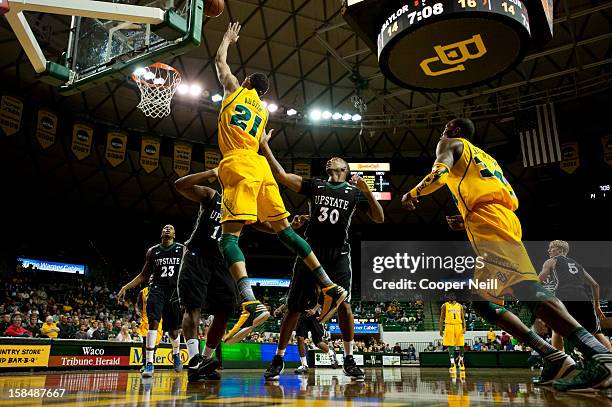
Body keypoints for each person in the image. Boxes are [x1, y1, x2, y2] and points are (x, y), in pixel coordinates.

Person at [402, 117, 612, 391]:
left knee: (526, 287)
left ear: (453, 130)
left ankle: (600, 356)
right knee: (481, 300)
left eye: (444, 129)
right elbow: (488, 191)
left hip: (490, 222)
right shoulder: (485, 157)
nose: (441, 134)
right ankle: (553, 356)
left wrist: (413, 192)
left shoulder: (450, 142)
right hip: (495, 217)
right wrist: (466, 219)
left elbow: (440, 173)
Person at [214, 21, 347, 344]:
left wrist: (228, 39)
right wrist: (266, 141)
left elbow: (219, 62)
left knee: (228, 239)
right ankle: (330, 284)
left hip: (238, 164)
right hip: (261, 167)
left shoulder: (234, 89)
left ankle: (249, 302)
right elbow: (259, 140)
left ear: (246, 82)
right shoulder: (262, 110)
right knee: (285, 232)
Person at [259, 136, 384, 381]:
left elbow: (379, 218)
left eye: (336, 159)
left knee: (344, 305)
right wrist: (264, 146)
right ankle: (279, 358)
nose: (330, 159)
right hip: (310, 252)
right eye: (329, 159)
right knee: (294, 308)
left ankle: (349, 359)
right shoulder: (315, 185)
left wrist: (368, 191)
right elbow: (282, 176)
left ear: (345, 170)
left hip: (338, 254)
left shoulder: (354, 192)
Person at [174, 168, 239, 382]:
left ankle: (205, 360)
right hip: (197, 255)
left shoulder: (243, 208)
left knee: (226, 308)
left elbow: (264, 224)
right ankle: (194, 360)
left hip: (220, 262)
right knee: (192, 306)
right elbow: (180, 185)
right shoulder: (212, 195)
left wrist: (286, 226)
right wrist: (210, 172)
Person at [117, 225, 184, 377]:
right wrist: (126, 287)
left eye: (171, 228)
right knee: (153, 322)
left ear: (174, 233)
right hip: (156, 290)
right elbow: (143, 275)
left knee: (173, 331)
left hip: (174, 292)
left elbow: (189, 270)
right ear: (161, 233)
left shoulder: (182, 249)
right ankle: (149, 363)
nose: (167, 229)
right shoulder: (153, 251)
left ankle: (176, 354)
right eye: (165, 228)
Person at [539, 240, 611, 352]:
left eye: (551, 248)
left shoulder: (551, 261)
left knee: (557, 330)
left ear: (560, 250)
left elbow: (539, 280)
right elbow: (595, 285)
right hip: (583, 298)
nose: (549, 250)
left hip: (564, 296)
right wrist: (597, 306)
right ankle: (610, 361)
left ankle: (560, 362)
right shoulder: (577, 265)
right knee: (596, 332)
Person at [440, 298, 466, 372]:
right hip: (449, 326)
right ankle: (452, 363)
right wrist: (441, 329)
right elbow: (441, 318)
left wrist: (464, 327)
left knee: (461, 345)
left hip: (458, 326)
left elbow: (463, 317)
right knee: (450, 345)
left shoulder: (460, 306)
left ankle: (461, 361)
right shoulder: (444, 305)